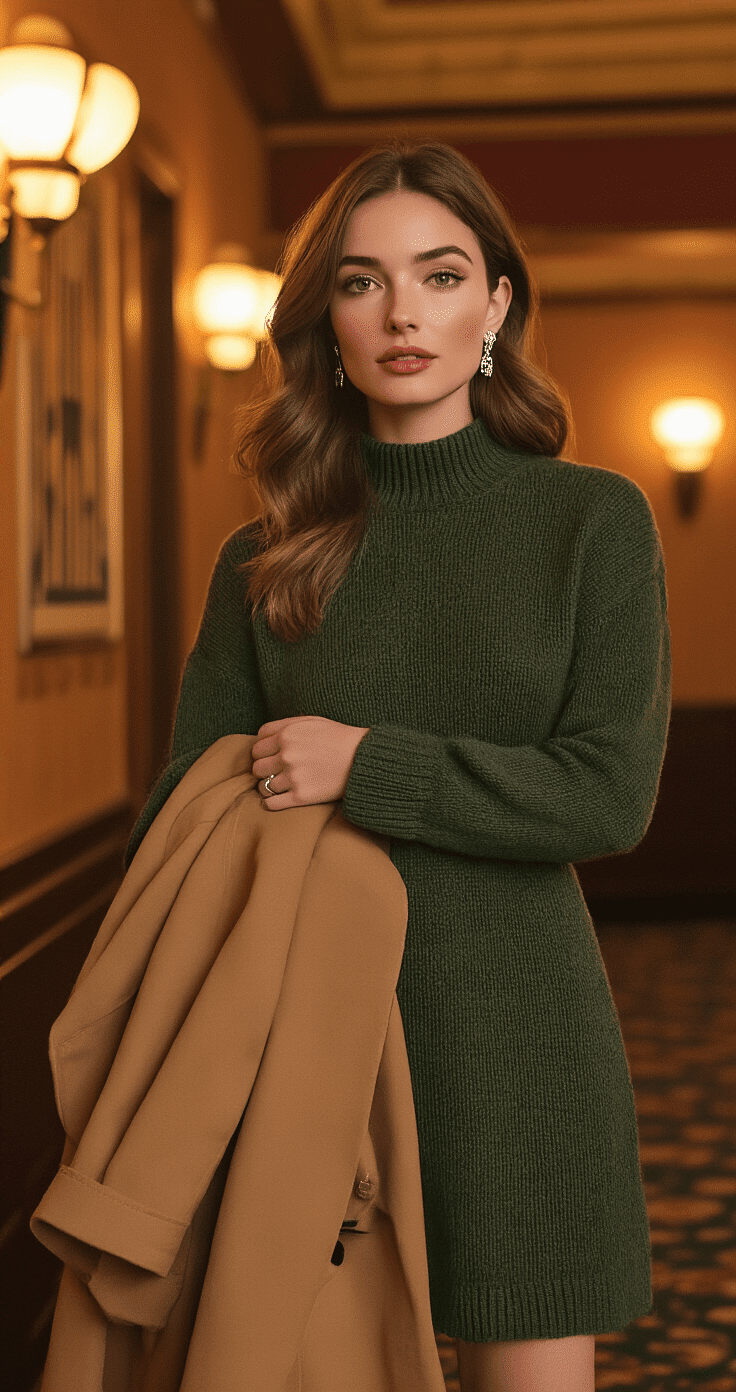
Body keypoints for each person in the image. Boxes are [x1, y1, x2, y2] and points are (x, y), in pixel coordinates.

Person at [125, 141, 671, 1392]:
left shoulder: (590, 522)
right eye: (363, 282)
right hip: (303, 1038)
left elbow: (606, 791)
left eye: (439, 273)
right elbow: (183, 819)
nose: (404, 310)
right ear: (325, 320)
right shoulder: (264, 557)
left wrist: (366, 763)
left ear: (497, 305)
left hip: (515, 1032)